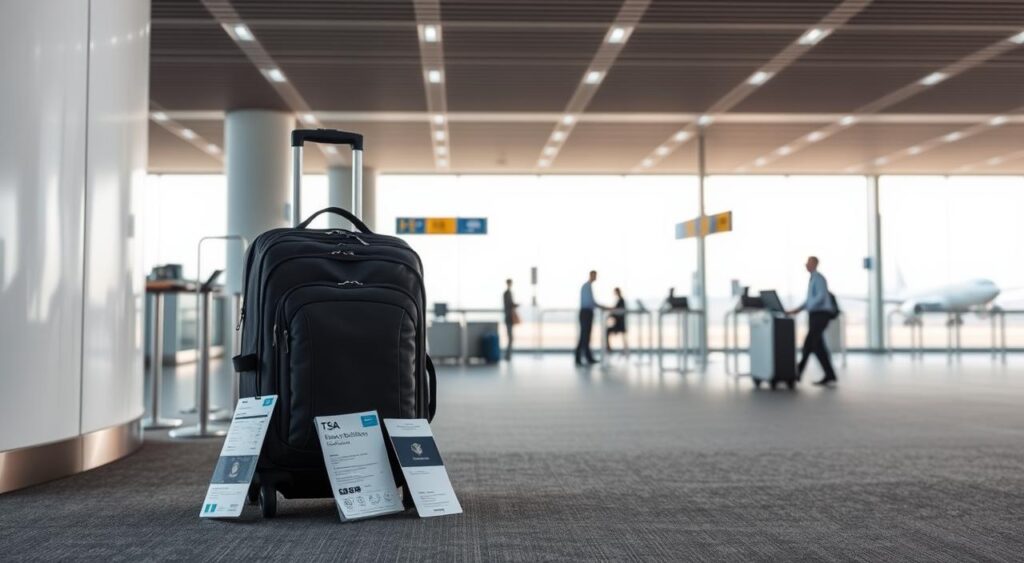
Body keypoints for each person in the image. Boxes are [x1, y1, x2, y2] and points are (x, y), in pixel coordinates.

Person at [786, 256, 838, 386]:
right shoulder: (813, 279)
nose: (806, 265)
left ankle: (796, 373)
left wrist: (807, 307)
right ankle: (830, 375)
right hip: (815, 315)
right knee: (818, 346)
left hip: (821, 315)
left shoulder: (819, 278)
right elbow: (809, 300)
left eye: (808, 262)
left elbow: (820, 297)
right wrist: (797, 309)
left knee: (809, 343)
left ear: (815, 263)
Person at [576, 270, 605, 366]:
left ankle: (588, 358)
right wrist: (602, 307)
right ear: (590, 275)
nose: (595, 277)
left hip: (587, 313)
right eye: (594, 275)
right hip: (585, 313)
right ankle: (579, 358)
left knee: (586, 336)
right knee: (584, 336)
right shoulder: (586, 287)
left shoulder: (589, 287)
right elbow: (590, 302)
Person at [605, 287, 629, 356]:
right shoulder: (620, 300)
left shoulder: (621, 300)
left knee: (622, 336)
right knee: (622, 337)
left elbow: (618, 311)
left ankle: (610, 348)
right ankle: (609, 348)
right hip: (619, 323)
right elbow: (616, 310)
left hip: (620, 324)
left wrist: (611, 314)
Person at [502, 279, 518, 361]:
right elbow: (509, 304)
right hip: (508, 318)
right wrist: (515, 305)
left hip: (509, 318)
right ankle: (507, 355)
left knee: (511, 337)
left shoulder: (508, 293)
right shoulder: (507, 293)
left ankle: (508, 355)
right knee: (510, 337)